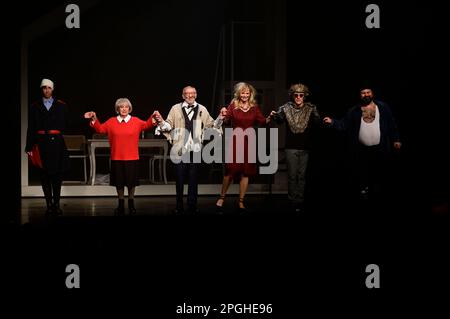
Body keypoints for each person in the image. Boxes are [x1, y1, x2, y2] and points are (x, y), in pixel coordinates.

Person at [323, 86, 401, 200]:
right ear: (360, 95)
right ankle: (364, 193)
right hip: (361, 149)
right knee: (363, 173)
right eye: (363, 93)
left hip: (380, 147)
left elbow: (391, 124)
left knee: (379, 173)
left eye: (368, 92)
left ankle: (379, 194)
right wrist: (332, 122)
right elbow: (344, 124)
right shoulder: (354, 110)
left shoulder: (383, 107)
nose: (366, 95)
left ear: (372, 93)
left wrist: (396, 139)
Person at [154, 86, 222, 214]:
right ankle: (179, 205)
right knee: (179, 179)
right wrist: (161, 121)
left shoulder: (202, 109)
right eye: (187, 94)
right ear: (183, 95)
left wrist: (220, 117)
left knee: (193, 179)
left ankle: (192, 205)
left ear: (196, 95)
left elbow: (212, 125)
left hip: (195, 149)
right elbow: (169, 125)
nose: (190, 96)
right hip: (179, 149)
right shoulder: (175, 108)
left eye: (192, 94)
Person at [84, 98, 157, 215]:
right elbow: (100, 129)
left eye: (126, 107)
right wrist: (94, 118)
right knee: (119, 182)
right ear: (117, 109)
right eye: (121, 107)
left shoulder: (136, 121)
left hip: (132, 157)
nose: (124, 109)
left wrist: (155, 115)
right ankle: (121, 204)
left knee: (131, 182)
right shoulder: (111, 122)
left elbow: (148, 124)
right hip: (117, 157)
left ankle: (131, 203)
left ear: (129, 108)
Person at [216, 82, 271, 212]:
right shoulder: (233, 106)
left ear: (250, 94)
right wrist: (223, 115)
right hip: (236, 141)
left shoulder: (254, 107)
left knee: (245, 173)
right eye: (243, 93)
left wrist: (270, 117)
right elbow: (227, 120)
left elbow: (262, 121)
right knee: (230, 171)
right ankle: (222, 197)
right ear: (239, 93)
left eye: (247, 93)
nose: (245, 95)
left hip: (249, 142)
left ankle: (241, 201)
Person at [269, 83, 321, 213]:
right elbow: (279, 120)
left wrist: (322, 120)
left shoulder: (311, 108)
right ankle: (292, 200)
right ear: (292, 96)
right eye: (296, 95)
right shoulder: (285, 108)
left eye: (301, 95)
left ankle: (300, 200)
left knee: (301, 175)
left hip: (305, 147)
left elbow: (317, 122)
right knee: (292, 175)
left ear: (304, 96)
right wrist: (274, 115)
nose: (298, 97)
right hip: (291, 147)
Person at [26, 78, 70, 216]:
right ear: (41, 89)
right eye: (44, 88)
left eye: (49, 88)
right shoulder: (34, 106)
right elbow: (31, 127)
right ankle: (49, 205)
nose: (47, 90)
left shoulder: (61, 105)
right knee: (44, 175)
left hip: (56, 143)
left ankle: (56, 204)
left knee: (57, 176)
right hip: (41, 143)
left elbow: (66, 123)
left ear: (53, 89)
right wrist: (29, 146)